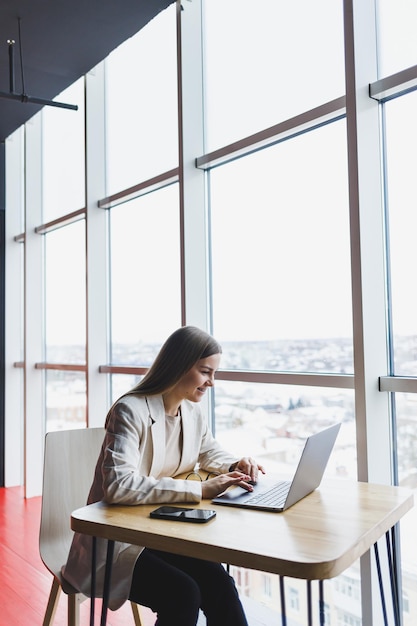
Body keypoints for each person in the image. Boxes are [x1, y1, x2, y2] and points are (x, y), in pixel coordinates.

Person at [62, 325, 265, 625]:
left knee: (220, 585)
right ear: (180, 365)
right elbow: (119, 486)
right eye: (206, 372)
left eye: (214, 374)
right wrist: (200, 491)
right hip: (116, 541)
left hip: (160, 532)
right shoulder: (129, 410)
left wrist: (236, 465)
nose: (211, 382)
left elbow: (209, 451)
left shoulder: (191, 412)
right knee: (183, 594)